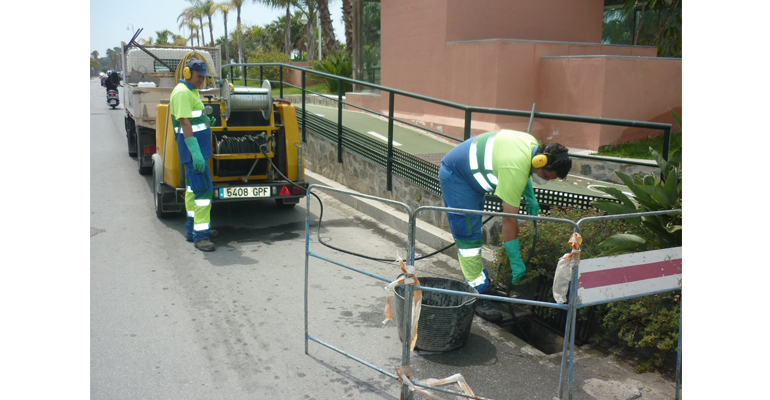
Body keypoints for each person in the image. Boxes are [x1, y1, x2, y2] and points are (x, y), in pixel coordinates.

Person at [439, 129, 572, 322]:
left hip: (471, 179)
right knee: (468, 237)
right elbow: (509, 219)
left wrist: (530, 197)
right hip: (457, 177)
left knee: (472, 230)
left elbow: (524, 170)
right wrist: (515, 259)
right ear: (540, 162)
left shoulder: (531, 145)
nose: (545, 180)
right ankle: (477, 292)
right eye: (546, 175)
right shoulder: (516, 167)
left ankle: (482, 283)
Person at [169, 59, 217, 252]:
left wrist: (206, 119)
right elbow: (185, 124)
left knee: (191, 191)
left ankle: (193, 229)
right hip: (193, 152)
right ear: (188, 73)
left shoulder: (191, 91)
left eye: (204, 77)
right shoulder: (181, 93)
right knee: (204, 192)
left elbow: (195, 116)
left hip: (198, 151)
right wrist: (196, 153)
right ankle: (201, 236)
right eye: (199, 77)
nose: (201, 81)